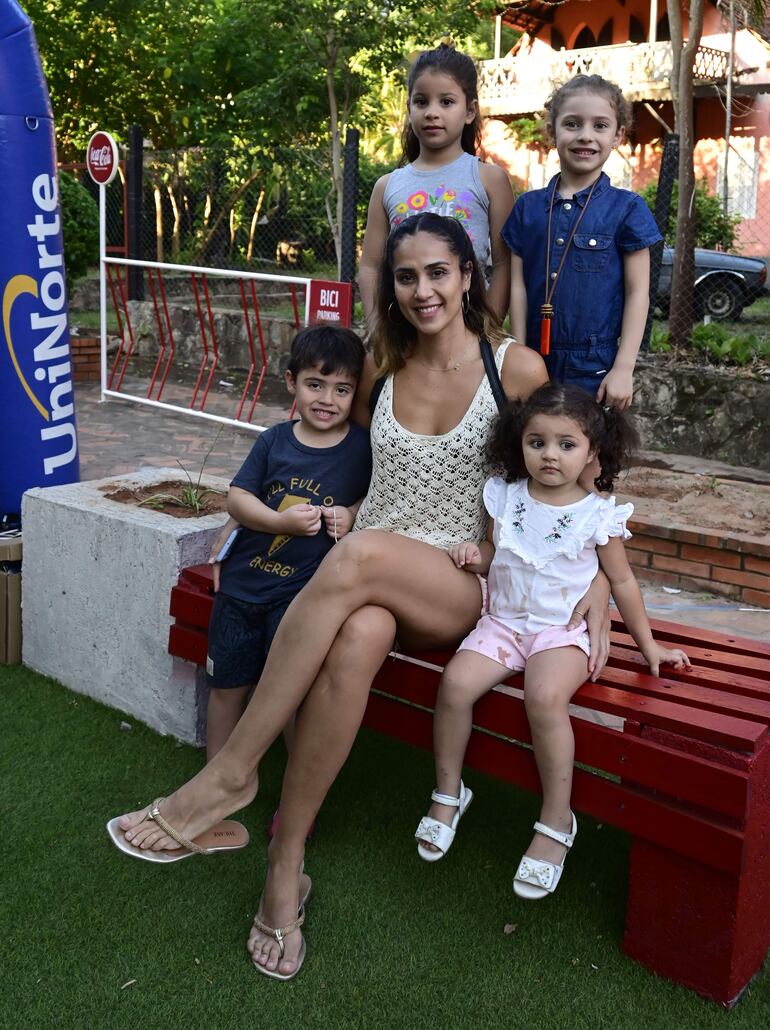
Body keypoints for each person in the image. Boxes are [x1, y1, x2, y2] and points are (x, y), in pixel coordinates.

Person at [110, 213, 612, 980]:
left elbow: (577, 482)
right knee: (360, 631)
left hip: (458, 580)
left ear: (469, 275)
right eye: (406, 276)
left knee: (360, 557)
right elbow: (315, 435)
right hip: (366, 579)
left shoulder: (516, 369)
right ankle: (286, 867)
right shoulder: (381, 363)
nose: (422, 290)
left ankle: (231, 773)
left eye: (438, 272)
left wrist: (602, 583)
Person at [415, 384, 689, 900]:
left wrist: (649, 646)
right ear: (518, 443)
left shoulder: (597, 516)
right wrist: (476, 554)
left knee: (543, 697)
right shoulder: (507, 496)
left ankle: (556, 819)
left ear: (592, 452)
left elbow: (623, 582)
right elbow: (500, 551)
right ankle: (449, 791)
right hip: (502, 626)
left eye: (567, 444)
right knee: (454, 684)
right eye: (537, 441)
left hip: (560, 633)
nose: (550, 454)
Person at [204, 325, 372, 761]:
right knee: (227, 689)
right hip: (240, 589)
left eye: (342, 389)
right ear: (291, 382)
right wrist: (280, 520)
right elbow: (238, 497)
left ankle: (296, 797)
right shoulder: (274, 440)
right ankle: (213, 782)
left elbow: (372, 497)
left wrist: (351, 515)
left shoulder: (361, 448)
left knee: (292, 697)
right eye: (315, 384)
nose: (327, 399)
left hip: (299, 600)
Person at [504, 75, 663, 410]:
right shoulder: (527, 208)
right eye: (572, 124)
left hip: (596, 365)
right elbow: (517, 285)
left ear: (618, 135)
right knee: (531, 451)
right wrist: (517, 352)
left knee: (588, 454)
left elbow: (638, 293)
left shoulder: (627, 209)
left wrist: (624, 367)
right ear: (552, 131)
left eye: (600, 125)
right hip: (532, 359)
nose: (585, 136)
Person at [359, 43, 512, 325]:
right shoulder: (387, 186)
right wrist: (377, 328)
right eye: (421, 101)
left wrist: (488, 329)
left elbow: (505, 264)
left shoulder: (490, 180)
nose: (431, 112)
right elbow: (370, 266)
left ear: (469, 111)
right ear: (409, 108)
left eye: (446, 102)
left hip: (469, 337)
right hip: (405, 334)